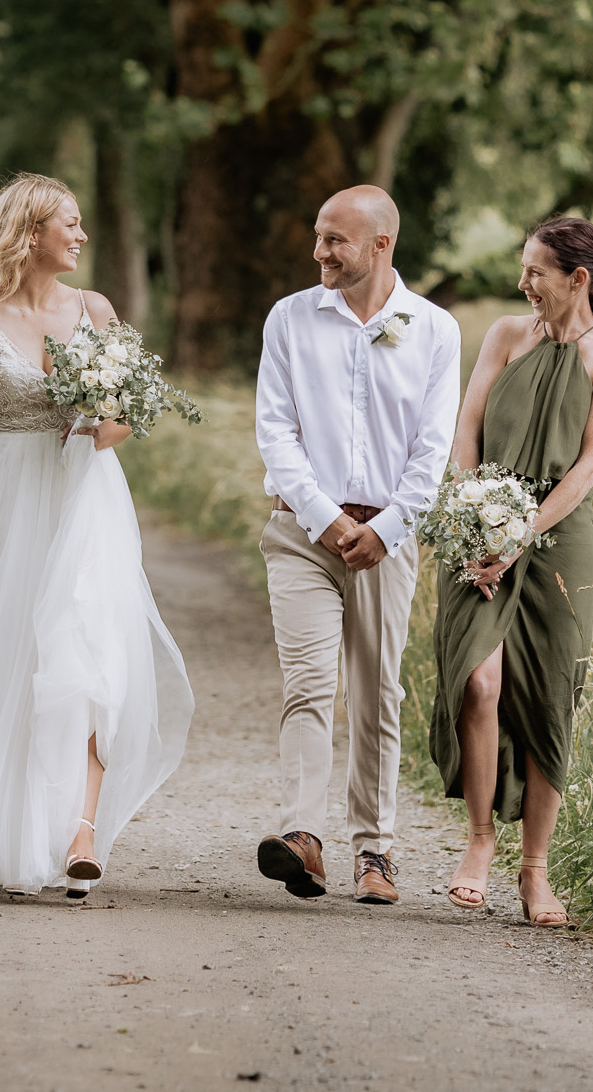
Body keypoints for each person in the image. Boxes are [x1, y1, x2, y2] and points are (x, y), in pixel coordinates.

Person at [0, 173, 193, 899]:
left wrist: (97, 418)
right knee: (0, 662)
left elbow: (126, 418)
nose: (81, 236)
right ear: (30, 234)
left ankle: (81, 831)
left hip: (84, 495)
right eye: (70, 225)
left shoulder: (95, 309)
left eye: (82, 224)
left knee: (89, 654)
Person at [254, 184, 459, 905]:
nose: (319, 253)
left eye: (335, 240)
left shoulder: (433, 329)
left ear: (381, 244)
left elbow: (432, 451)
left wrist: (386, 527)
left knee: (377, 691)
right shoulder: (290, 318)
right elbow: (274, 432)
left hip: (387, 539)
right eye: (317, 236)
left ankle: (374, 849)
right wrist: (325, 517)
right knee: (309, 685)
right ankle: (302, 835)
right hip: (302, 533)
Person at [433, 217, 593, 927]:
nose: (524, 284)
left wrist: (520, 535)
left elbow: (591, 464)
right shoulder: (504, 336)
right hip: (478, 530)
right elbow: (466, 431)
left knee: (552, 698)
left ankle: (536, 873)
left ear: (578, 279)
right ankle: (481, 842)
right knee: (478, 682)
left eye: (536, 272)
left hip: (557, 540)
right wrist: (469, 522)